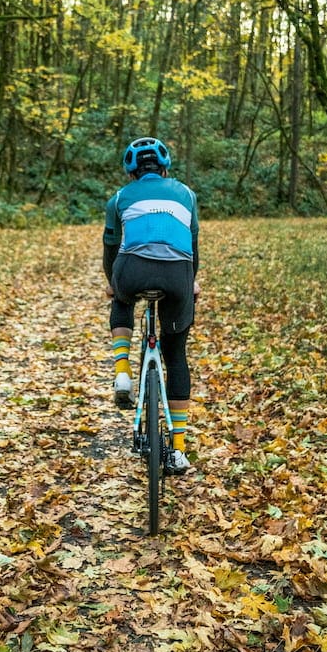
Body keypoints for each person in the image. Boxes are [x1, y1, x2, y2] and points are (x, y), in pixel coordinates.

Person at [102, 137, 200, 475]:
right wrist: (191, 283)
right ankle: (178, 450)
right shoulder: (187, 194)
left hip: (132, 270)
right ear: (165, 167)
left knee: (121, 298)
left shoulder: (118, 199)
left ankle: (123, 373)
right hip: (178, 276)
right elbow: (193, 247)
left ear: (131, 172)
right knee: (176, 356)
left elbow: (111, 250)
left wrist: (114, 284)